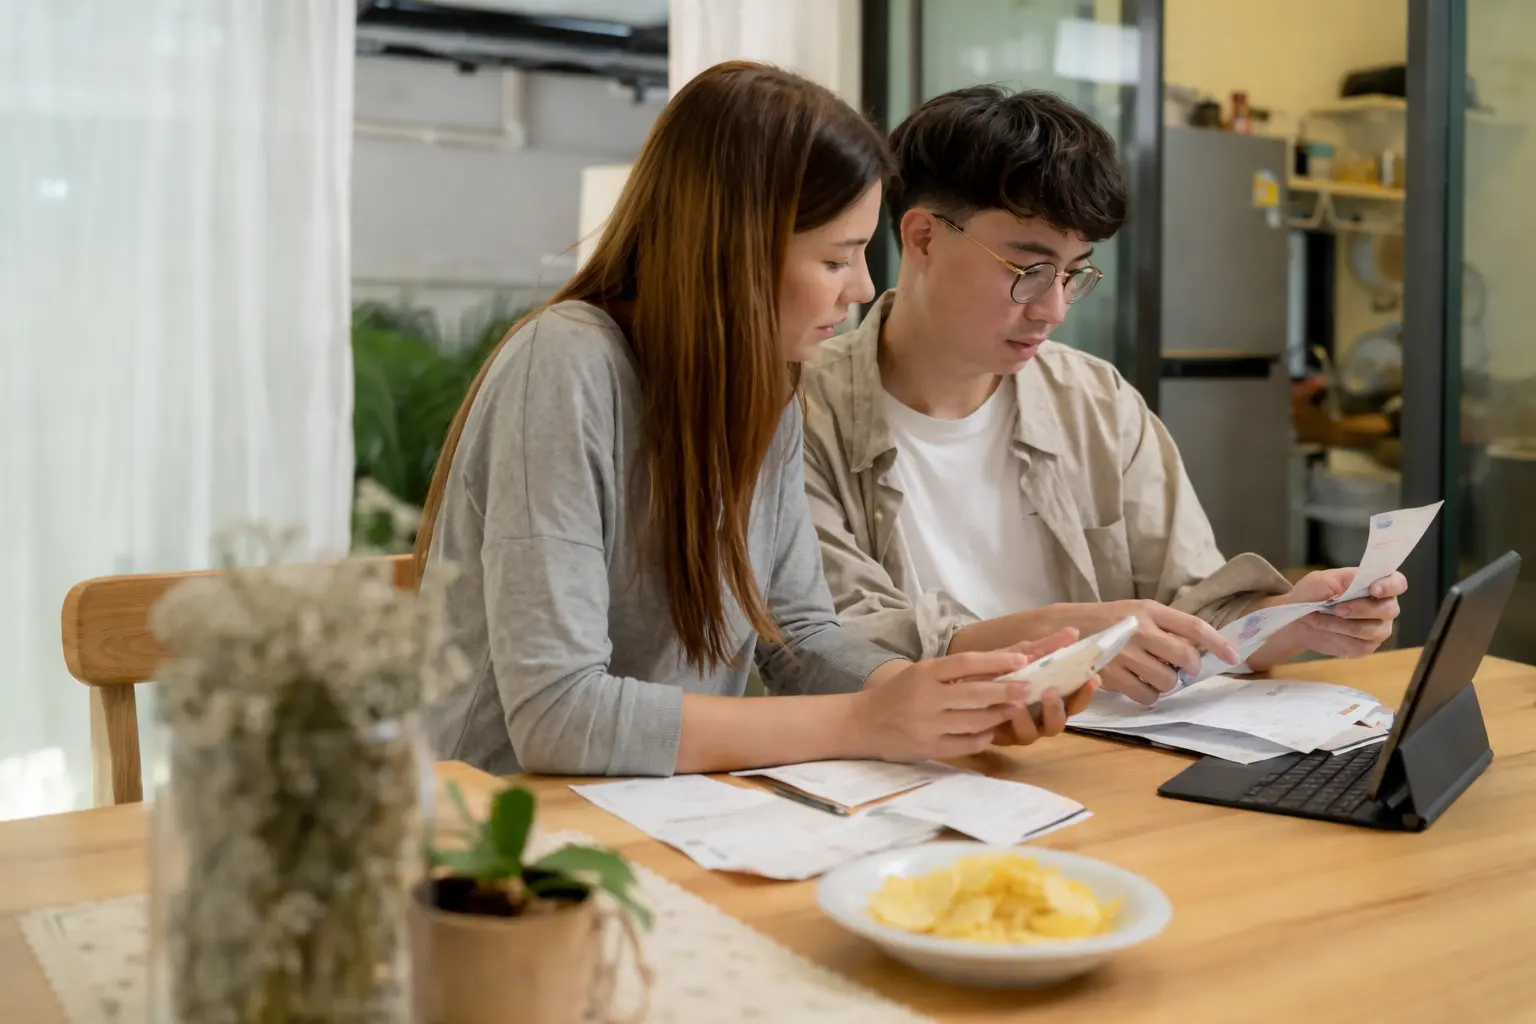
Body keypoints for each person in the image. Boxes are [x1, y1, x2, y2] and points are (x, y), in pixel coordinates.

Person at [413, 63, 1098, 778]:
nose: (863, 287)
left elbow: (796, 633)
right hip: (504, 836)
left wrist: (932, 699)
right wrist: (864, 719)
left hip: (666, 811)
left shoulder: (766, 388)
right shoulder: (565, 362)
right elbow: (559, 716)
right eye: (838, 257)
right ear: (736, 248)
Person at [801, 86, 1406, 705]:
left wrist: (1287, 620)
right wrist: (1059, 638)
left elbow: (1191, 608)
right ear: (925, 238)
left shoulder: (1096, 401)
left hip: (1097, 760)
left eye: (1074, 274)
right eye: (1028, 271)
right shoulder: (799, 408)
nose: (1054, 308)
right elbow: (824, 639)